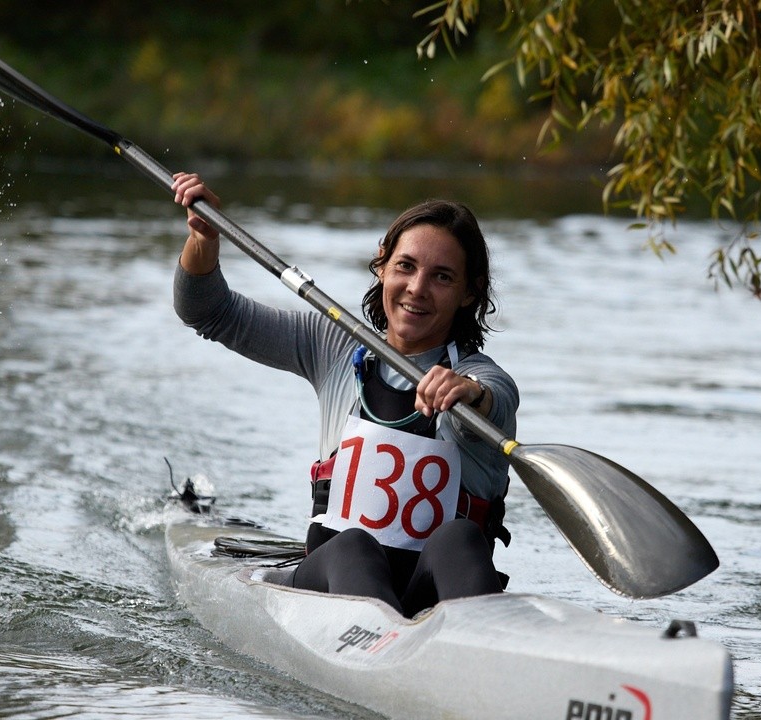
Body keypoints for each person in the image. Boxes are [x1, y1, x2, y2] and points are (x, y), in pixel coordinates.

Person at [172, 172, 519, 618]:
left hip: (434, 595)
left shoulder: (482, 379)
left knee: (460, 538)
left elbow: (495, 397)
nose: (417, 289)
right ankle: (379, 647)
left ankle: (483, 646)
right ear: (382, 264)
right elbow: (207, 311)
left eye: (442, 277)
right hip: (329, 583)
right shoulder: (334, 346)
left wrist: (468, 394)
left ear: (469, 292)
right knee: (354, 545)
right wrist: (204, 237)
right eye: (406, 266)